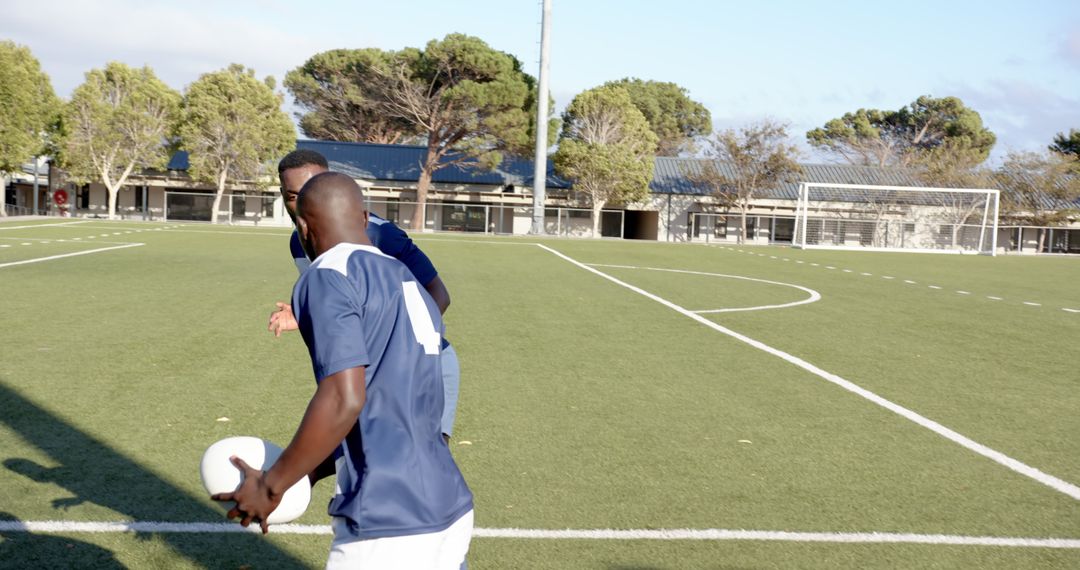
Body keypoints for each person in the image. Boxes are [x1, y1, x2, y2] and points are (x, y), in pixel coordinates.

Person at [214, 172, 473, 569]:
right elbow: (388, 406)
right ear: (365, 220)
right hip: (448, 506)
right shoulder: (405, 278)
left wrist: (270, 486)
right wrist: (305, 472)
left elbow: (345, 398)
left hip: (388, 517)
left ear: (303, 226)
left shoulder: (326, 275)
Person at [269, 149, 461, 442]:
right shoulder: (299, 244)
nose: (304, 204)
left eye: (313, 189)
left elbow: (439, 295)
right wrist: (303, 314)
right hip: (365, 376)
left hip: (419, 370)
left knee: (417, 468)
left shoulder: (380, 236)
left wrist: (395, 350)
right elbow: (346, 305)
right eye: (293, 196)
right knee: (358, 468)